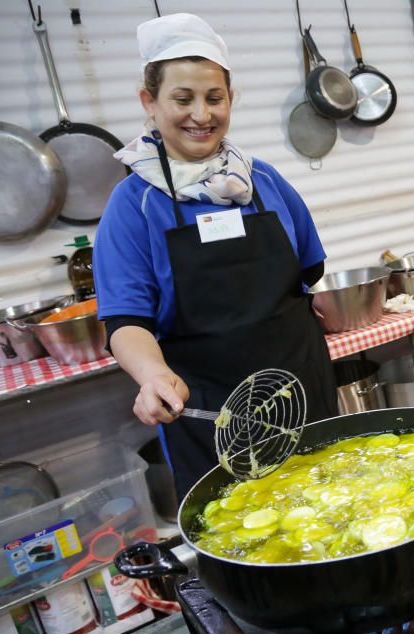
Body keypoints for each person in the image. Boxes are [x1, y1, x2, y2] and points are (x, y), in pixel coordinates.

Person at [94, 13, 338, 500]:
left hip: (303, 394)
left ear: (230, 99)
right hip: (211, 417)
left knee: (334, 516)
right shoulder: (134, 204)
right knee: (244, 535)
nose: (201, 115)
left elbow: (309, 270)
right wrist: (152, 374)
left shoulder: (263, 181)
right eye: (182, 99)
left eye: (214, 98)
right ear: (150, 102)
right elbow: (125, 321)